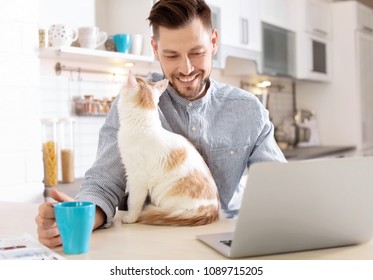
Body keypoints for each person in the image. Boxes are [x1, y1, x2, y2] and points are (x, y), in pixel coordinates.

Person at [35, 0, 286, 248]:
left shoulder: (248, 109)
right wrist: (81, 218)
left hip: (221, 244)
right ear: (155, 49)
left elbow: (281, 187)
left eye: (197, 53)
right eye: (171, 55)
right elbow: (103, 183)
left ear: (213, 42)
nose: (186, 68)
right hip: (146, 247)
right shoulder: (133, 101)